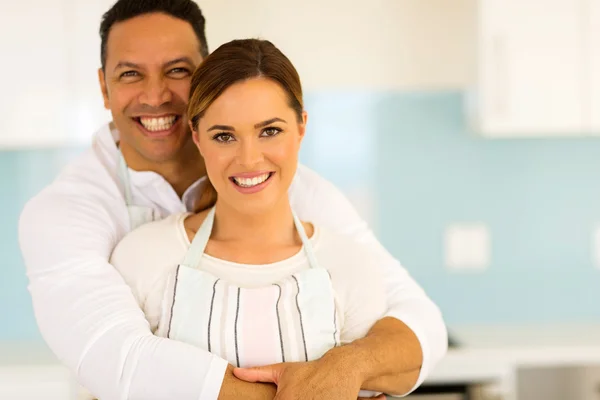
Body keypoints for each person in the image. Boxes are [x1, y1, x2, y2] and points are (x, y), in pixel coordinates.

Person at [17, 1, 448, 399]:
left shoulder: (297, 191)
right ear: (104, 88)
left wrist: (348, 367)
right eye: (130, 73)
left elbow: (417, 320)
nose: (155, 95)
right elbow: (117, 356)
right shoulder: (65, 214)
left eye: (178, 70)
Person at [108, 37, 394, 400]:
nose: (249, 159)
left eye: (270, 131)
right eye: (224, 136)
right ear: (197, 138)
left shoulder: (349, 266)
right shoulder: (143, 256)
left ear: (301, 127)